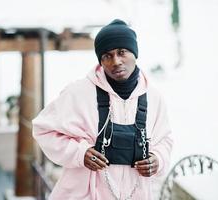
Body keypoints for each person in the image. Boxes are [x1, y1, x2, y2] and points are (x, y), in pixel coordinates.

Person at [32, 19, 173, 200]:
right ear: (100, 61)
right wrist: (80, 153)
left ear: (134, 53)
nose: (116, 61)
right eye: (107, 55)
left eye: (122, 52)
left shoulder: (154, 98)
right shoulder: (78, 92)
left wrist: (158, 160)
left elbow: (165, 140)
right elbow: (43, 129)